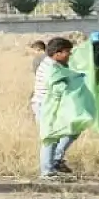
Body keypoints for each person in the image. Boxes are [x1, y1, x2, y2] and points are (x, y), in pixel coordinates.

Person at [33, 37, 80, 180]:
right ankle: (47, 171)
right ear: (57, 53)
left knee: (73, 129)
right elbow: (59, 87)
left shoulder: (56, 64)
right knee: (51, 138)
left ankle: (55, 161)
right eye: (67, 52)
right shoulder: (51, 67)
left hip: (53, 106)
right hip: (45, 106)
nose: (69, 55)